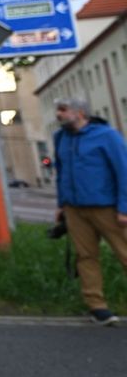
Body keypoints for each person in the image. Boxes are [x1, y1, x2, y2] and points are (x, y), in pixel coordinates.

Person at [51, 97, 127, 326]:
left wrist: (124, 208)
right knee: (85, 257)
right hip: (75, 209)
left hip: (107, 208)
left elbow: (123, 171)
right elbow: (61, 171)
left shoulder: (107, 136)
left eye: (63, 110)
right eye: (58, 110)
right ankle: (97, 307)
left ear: (80, 112)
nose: (59, 115)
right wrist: (61, 204)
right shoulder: (60, 138)